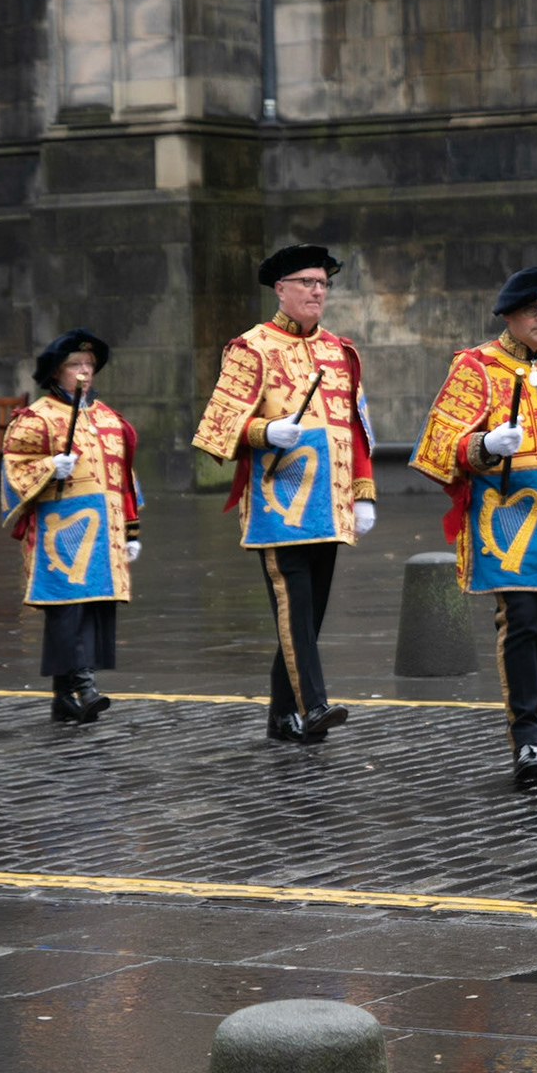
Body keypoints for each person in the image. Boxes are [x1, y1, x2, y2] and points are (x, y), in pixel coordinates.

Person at [410, 267, 537, 787]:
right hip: (504, 525)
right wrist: (481, 446)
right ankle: (526, 739)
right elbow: (438, 446)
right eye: (533, 310)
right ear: (510, 316)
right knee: (519, 622)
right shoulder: (475, 367)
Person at [191, 244, 378, 744]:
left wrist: (364, 493)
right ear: (281, 289)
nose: (318, 291)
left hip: (330, 501)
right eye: (307, 282)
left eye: (323, 283)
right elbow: (218, 427)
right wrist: (264, 432)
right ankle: (312, 706)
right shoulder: (250, 347)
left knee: (308, 617)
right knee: (294, 608)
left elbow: (357, 431)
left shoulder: (341, 352)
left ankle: (280, 717)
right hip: (279, 503)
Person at [1, 330, 142, 724]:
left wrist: (131, 530)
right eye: (75, 365)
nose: (84, 373)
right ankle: (85, 686)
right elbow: (13, 468)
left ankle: (64, 698)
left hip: (104, 533)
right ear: (56, 372)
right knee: (67, 608)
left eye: (88, 366)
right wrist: (48, 467)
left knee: (91, 609)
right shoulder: (37, 418)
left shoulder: (109, 418)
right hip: (60, 531)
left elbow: (125, 479)